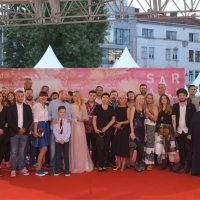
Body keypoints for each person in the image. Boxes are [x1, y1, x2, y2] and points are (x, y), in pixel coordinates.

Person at [7, 90, 33, 177]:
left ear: (23, 97)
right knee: (14, 152)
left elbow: (30, 119)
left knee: (22, 151)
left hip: (24, 133)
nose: (20, 97)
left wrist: (24, 129)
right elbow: (9, 121)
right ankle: (13, 169)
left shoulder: (27, 107)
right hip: (14, 133)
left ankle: (22, 168)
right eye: (18, 96)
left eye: (22, 96)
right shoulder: (11, 108)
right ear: (15, 97)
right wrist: (18, 129)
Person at [48, 90, 71, 174]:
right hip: (54, 130)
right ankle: (53, 168)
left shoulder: (68, 105)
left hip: (65, 132)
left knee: (64, 153)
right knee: (53, 151)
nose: (67, 96)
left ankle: (60, 167)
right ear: (60, 94)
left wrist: (69, 120)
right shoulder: (52, 103)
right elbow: (48, 115)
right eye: (65, 95)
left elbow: (69, 116)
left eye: (67, 95)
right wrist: (52, 119)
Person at [69, 90, 93, 173]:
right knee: (73, 144)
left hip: (79, 126)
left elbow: (86, 117)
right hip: (71, 126)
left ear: (79, 96)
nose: (74, 97)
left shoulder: (82, 105)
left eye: (76, 95)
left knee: (79, 143)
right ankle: (73, 163)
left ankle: (81, 164)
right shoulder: (70, 105)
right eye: (73, 95)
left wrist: (81, 119)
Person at [173, 88, 196, 173]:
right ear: (178, 96)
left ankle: (189, 165)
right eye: (180, 95)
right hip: (178, 131)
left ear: (186, 96)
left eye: (183, 95)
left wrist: (191, 132)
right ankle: (182, 163)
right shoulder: (175, 106)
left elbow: (193, 120)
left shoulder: (191, 106)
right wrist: (175, 130)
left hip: (188, 132)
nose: (181, 97)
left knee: (188, 149)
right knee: (180, 149)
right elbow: (173, 119)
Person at [155, 94, 179, 173]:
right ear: (160, 100)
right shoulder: (159, 109)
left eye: (165, 98)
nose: (164, 100)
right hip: (160, 129)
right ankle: (164, 163)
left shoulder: (171, 108)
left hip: (169, 129)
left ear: (168, 100)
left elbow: (174, 120)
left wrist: (174, 130)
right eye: (162, 98)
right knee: (162, 147)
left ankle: (172, 165)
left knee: (170, 147)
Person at [93, 92, 115, 172]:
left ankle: (105, 165)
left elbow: (113, 119)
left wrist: (106, 127)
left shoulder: (111, 108)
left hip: (108, 130)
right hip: (98, 130)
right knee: (100, 148)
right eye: (104, 97)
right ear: (101, 99)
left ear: (109, 99)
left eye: (107, 97)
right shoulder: (97, 108)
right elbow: (94, 119)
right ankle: (100, 165)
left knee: (106, 148)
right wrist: (95, 128)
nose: (105, 99)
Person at [32, 91, 50, 176]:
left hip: (46, 126)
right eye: (42, 96)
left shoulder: (46, 106)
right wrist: (35, 131)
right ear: (39, 97)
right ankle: (38, 169)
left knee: (41, 148)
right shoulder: (36, 106)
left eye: (45, 96)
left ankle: (39, 166)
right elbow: (35, 119)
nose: (44, 98)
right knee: (44, 148)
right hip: (39, 126)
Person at [113, 94, 130, 172]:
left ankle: (123, 165)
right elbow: (113, 119)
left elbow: (129, 120)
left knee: (123, 147)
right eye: (120, 98)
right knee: (117, 147)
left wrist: (121, 123)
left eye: (123, 98)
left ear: (126, 100)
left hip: (124, 130)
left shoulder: (127, 109)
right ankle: (118, 164)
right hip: (117, 129)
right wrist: (116, 125)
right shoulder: (115, 108)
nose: (121, 99)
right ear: (118, 99)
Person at [53, 106, 71, 176]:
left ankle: (67, 170)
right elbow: (55, 132)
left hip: (66, 141)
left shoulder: (67, 121)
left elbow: (69, 132)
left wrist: (64, 139)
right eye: (61, 112)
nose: (62, 113)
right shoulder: (55, 121)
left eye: (64, 112)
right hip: (58, 141)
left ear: (65, 113)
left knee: (66, 156)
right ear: (58, 112)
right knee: (58, 155)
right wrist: (59, 139)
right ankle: (57, 170)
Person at [130, 94, 146, 172]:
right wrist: (132, 132)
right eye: (140, 99)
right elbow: (131, 121)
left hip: (142, 131)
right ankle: (137, 163)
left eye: (143, 99)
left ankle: (139, 163)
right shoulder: (133, 108)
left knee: (140, 150)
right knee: (141, 149)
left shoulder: (143, 109)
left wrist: (145, 134)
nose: (142, 100)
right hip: (135, 131)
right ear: (137, 100)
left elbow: (144, 122)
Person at [144, 93, 158, 170]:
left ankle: (149, 162)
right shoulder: (143, 106)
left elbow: (155, 118)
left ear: (153, 99)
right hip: (143, 126)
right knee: (144, 143)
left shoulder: (155, 107)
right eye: (147, 98)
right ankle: (143, 161)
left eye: (150, 98)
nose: (149, 99)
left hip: (151, 127)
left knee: (150, 143)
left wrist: (148, 113)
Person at [24, 88, 38, 169]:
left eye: (30, 93)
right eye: (27, 93)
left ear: (33, 94)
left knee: (33, 147)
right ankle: (22, 164)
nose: (29, 94)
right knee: (24, 147)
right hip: (26, 129)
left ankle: (32, 163)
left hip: (35, 129)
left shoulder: (36, 104)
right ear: (25, 94)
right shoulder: (23, 104)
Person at [84, 90, 98, 168]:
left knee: (95, 146)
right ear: (88, 96)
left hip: (94, 129)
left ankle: (94, 163)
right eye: (91, 95)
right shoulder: (84, 105)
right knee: (86, 146)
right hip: (85, 128)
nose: (92, 97)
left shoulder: (98, 106)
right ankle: (86, 162)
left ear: (95, 96)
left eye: (93, 96)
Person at [189, 103, 200, 176]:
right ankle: (196, 170)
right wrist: (189, 133)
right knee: (196, 153)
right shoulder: (195, 114)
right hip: (197, 137)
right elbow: (191, 125)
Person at [0, 92, 8, 177]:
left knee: (2, 152)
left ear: (2, 97)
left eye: (0, 96)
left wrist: (3, 129)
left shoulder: (6, 109)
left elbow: (7, 122)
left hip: (3, 133)